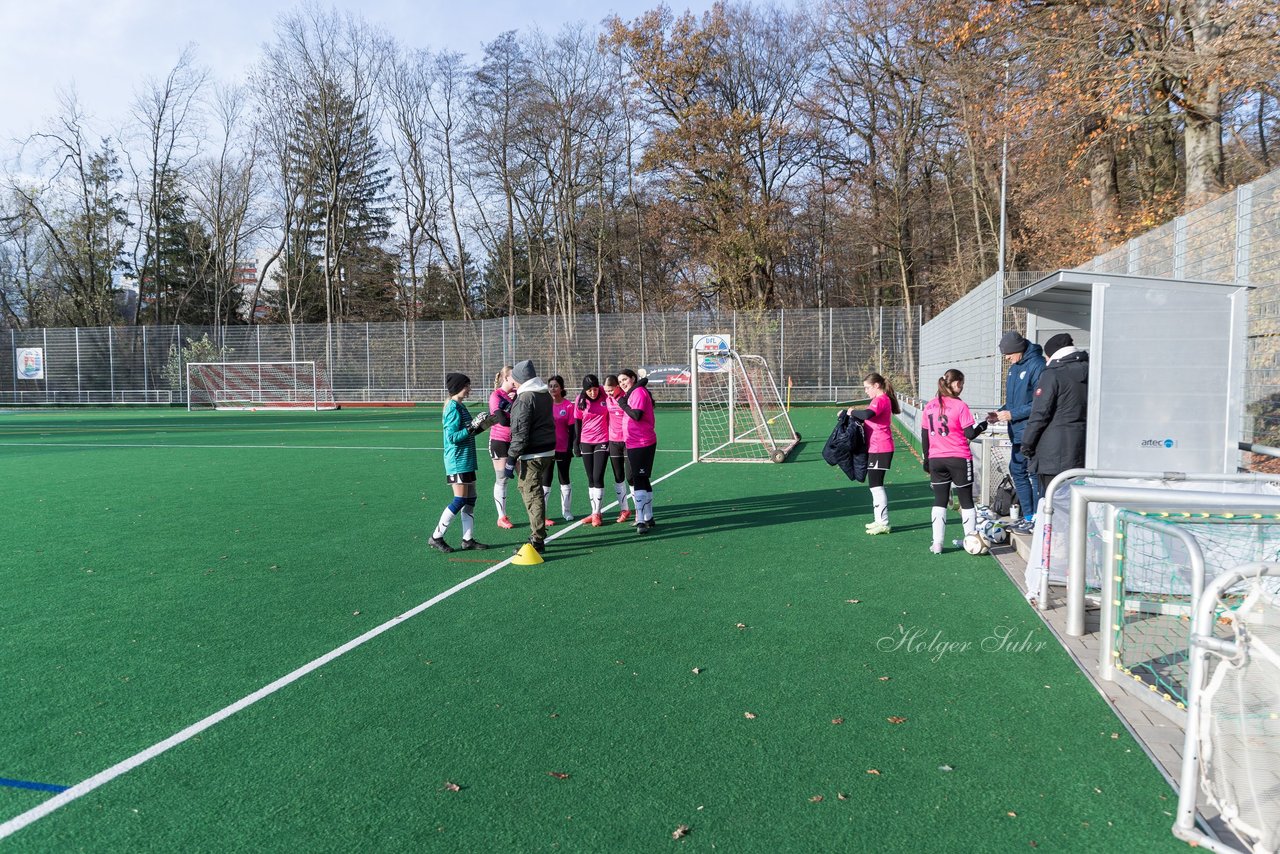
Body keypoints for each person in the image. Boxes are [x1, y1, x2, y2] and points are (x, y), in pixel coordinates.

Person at [922, 369, 990, 554]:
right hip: (959, 458)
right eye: (960, 384)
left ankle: (937, 543)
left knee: (939, 500)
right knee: (966, 500)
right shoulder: (960, 406)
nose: (961, 387)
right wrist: (985, 424)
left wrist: (926, 458)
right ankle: (970, 540)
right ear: (953, 384)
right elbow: (970, 433)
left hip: (936, 459)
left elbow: (925, 435)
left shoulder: (929, 406)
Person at [988, 330, 1045, 534]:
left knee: (1033, 474)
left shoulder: (1037, 365)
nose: (1007, 358)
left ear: (1018, 349)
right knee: (1018, 470)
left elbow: (1039, 403)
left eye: (1008, 353)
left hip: (1031, 432)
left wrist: (1012, 414)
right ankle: (1028, 516)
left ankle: (1037, 519)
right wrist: (1001, 411)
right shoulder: (1014, 369)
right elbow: (1015, 402)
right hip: (1017, 432)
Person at [427, 373, 492, 553]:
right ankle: (436, 536)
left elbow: (468, 432)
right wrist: (471, 427)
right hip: (457, 460)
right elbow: (453, 437)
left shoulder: (461, 406)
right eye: (467, 386)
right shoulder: (452, 408)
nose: (469, 389)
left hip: (467, 459)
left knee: (471, 498)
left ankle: (467, 539)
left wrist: (483, 425)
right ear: (458, 387)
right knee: (460, 499)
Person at [1022, 333, 1089, 501]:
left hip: (1051, 452)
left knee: (1053, 503)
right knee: (1078, 501)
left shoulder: (1052, 374)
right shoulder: (1091, 371)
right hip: (1083, 449)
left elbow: (1040, 413)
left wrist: (1027, 444)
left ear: (1052, 354)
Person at [506, 359, 557, 555]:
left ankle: (537, 538)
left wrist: (511, 458)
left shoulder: (526, 397)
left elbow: (520, 431)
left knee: (532, 493)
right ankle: (538, 532)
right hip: (547, 450)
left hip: (533, 452)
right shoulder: (543, 393)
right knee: (529, 488)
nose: (513, 383)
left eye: (515, 379)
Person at [844, 372, 900, 535]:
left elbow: (867, 415)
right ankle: (879, 520)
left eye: (868, 388)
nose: (866, 391)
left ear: (877, 386)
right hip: (875, 448)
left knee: (876, 486)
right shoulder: (879, 400)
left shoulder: (881, 399)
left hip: (881, 448)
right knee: (874, 486)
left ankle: (883, 523)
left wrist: (852, 411)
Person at [616, 368, 658, 534]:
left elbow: (637, 415)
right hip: (634, 442)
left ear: (633, 378)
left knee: (638, 478)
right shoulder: (633, 393)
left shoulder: (639, 392)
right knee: (643, 478)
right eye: (620, 382)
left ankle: (640, 520)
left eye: (625, 380)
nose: (623, 384)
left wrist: (623, 404)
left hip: (641, 442)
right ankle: (649, 517)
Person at [574, 374, 611, 527]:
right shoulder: (580, 400)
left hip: (602, 440)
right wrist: (576, 443)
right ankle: (594, 512)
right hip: (586, 441)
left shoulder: (604, 394)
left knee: (598, 476)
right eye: (589, 390)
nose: (593, 393)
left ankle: (596, 513)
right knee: (590, 478)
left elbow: (614, 389)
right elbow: (577, 421)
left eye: (595, 389)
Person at [541, 375, 576, 523]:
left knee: (564, 479)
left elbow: (572, 430)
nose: (552, 388)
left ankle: (566, 511)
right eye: (550, 386)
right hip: (547, 449)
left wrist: (571, 447)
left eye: (555, 386)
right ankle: (542, 514)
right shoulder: (544, 405)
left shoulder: (568, 406)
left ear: (561, 388)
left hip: (563, 449)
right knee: (545, 481)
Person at [488, 366, 519, 529]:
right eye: (514, 378)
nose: (517, 381)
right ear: (506, 378)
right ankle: (501, 517)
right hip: (499, 441)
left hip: (516, 441)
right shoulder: (496, 396)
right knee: (502, 478)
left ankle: (537, 514)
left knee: (526, 478)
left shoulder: (516, 395)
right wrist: (514, 403)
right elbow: (503, 421)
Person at [603, 374, 634, 523]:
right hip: (613, 441)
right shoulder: (606, 399)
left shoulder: (626, 397)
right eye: (606, 390)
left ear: (617, 387)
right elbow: (590, 391)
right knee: (618, 476)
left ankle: (639, 508)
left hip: (628, 441)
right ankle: (625, 509)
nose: (608, 393)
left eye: (611, 390)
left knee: (630, 477)